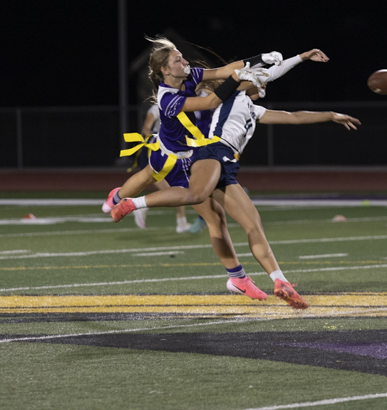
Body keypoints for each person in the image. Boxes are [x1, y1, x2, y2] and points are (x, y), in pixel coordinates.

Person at [113, 47, 359, 309]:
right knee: (196, 196)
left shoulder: (252, 109)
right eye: (256, 81)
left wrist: (331, 114)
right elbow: (259, 75)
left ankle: (280, 281)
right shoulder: (228, 95)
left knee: (252, 223)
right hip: (209, 153)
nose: (262, 85)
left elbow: (293, 117)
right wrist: (291, 61)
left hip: (227, 164)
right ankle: (131, 203)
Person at [106, 36, 278, 300]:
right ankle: (122, 201)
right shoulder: (167, 98)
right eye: (178, 59)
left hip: (193, 154)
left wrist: (261, 58)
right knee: (157, 179)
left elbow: (222, 70)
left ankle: (238, 279)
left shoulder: (190, 76)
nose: (185, 61)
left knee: (215, 218)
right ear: (165, 69)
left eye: (183, 57)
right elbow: (211, 102)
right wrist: (239, 76)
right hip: (174, 158)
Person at [130, 103, 191, 233]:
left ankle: (181, 222)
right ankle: (141, 205)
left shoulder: (180, 106)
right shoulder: (158, 107)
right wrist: (157, 141)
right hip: (159, 152)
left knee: (179, 188)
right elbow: (146, 128)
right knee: (174, 190)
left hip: (173, 152)